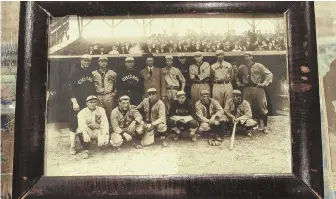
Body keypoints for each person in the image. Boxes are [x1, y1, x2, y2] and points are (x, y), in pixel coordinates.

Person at [236, 52, 273, 133]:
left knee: (262, 106)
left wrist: (265, 83)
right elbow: (237, 76)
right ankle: (249, 127)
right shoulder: (242, 67)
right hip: (246, 88)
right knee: (247, 106)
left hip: (258, 88)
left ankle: (265, 126)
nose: (247, 58)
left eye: (248, 56)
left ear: (252, 57)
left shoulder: (258, 65)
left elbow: (269, 74)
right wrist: (239, 83)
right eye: (245, 56)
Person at [68, 54, 96, 155]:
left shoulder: (90, 72)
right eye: (85, 60)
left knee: (83, 123)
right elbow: (70, 88)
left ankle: (85, 146)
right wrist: (74, 101)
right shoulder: (75, 71)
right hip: (77, 101)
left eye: (88, 61)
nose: (87, 62)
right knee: (74, 124)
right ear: (81, 60)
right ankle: (72, 146)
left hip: (87, 102)